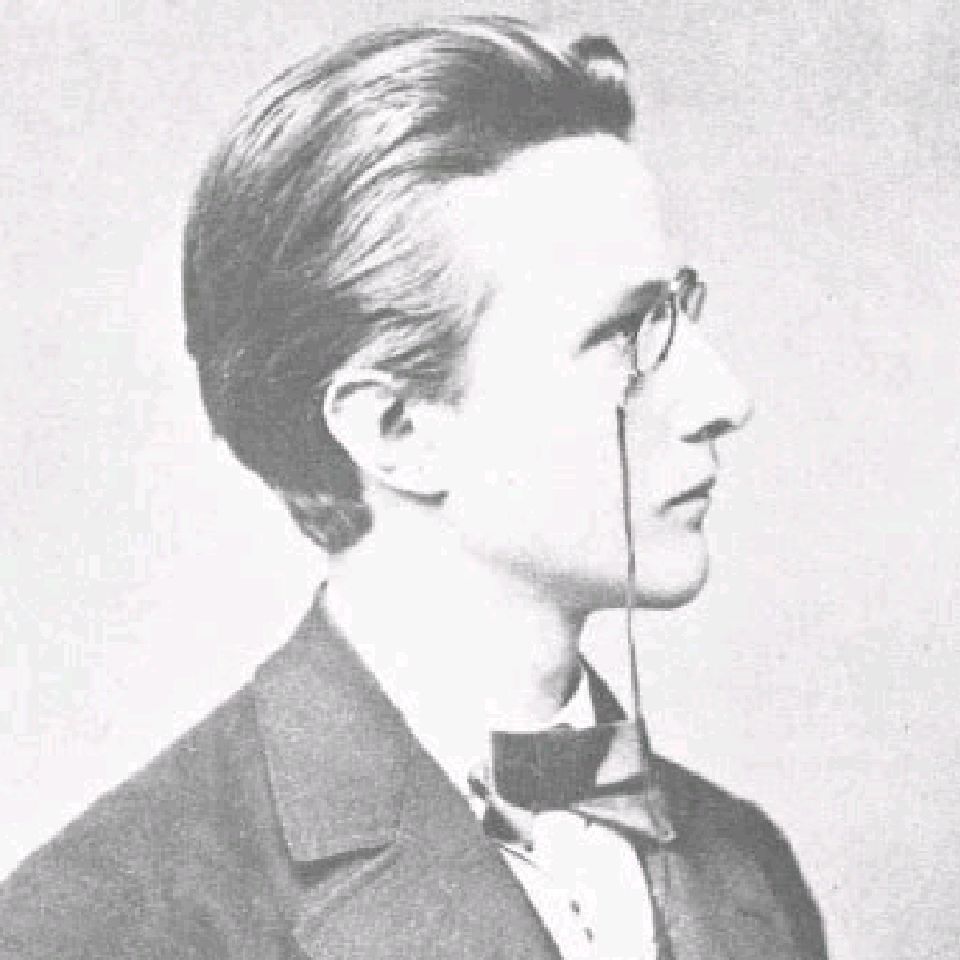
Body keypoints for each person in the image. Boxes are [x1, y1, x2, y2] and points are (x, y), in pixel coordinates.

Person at [0, 16, 828, 960]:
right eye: (626, 335)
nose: (724, 398)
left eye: (681, 315)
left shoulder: (745, 867)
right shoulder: (103, 926)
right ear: (395, 429)